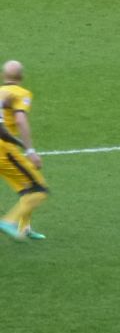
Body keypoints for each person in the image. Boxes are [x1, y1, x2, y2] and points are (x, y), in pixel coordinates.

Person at [0, 61, 49, 242]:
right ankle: (8, 221)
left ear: (3, 76)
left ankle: (24, 227)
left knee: (26, 187)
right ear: (21, 77)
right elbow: (20, 120)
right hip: (3, 149)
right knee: (39, 189)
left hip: (5, 146)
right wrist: (30, 150)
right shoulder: (21, 93)